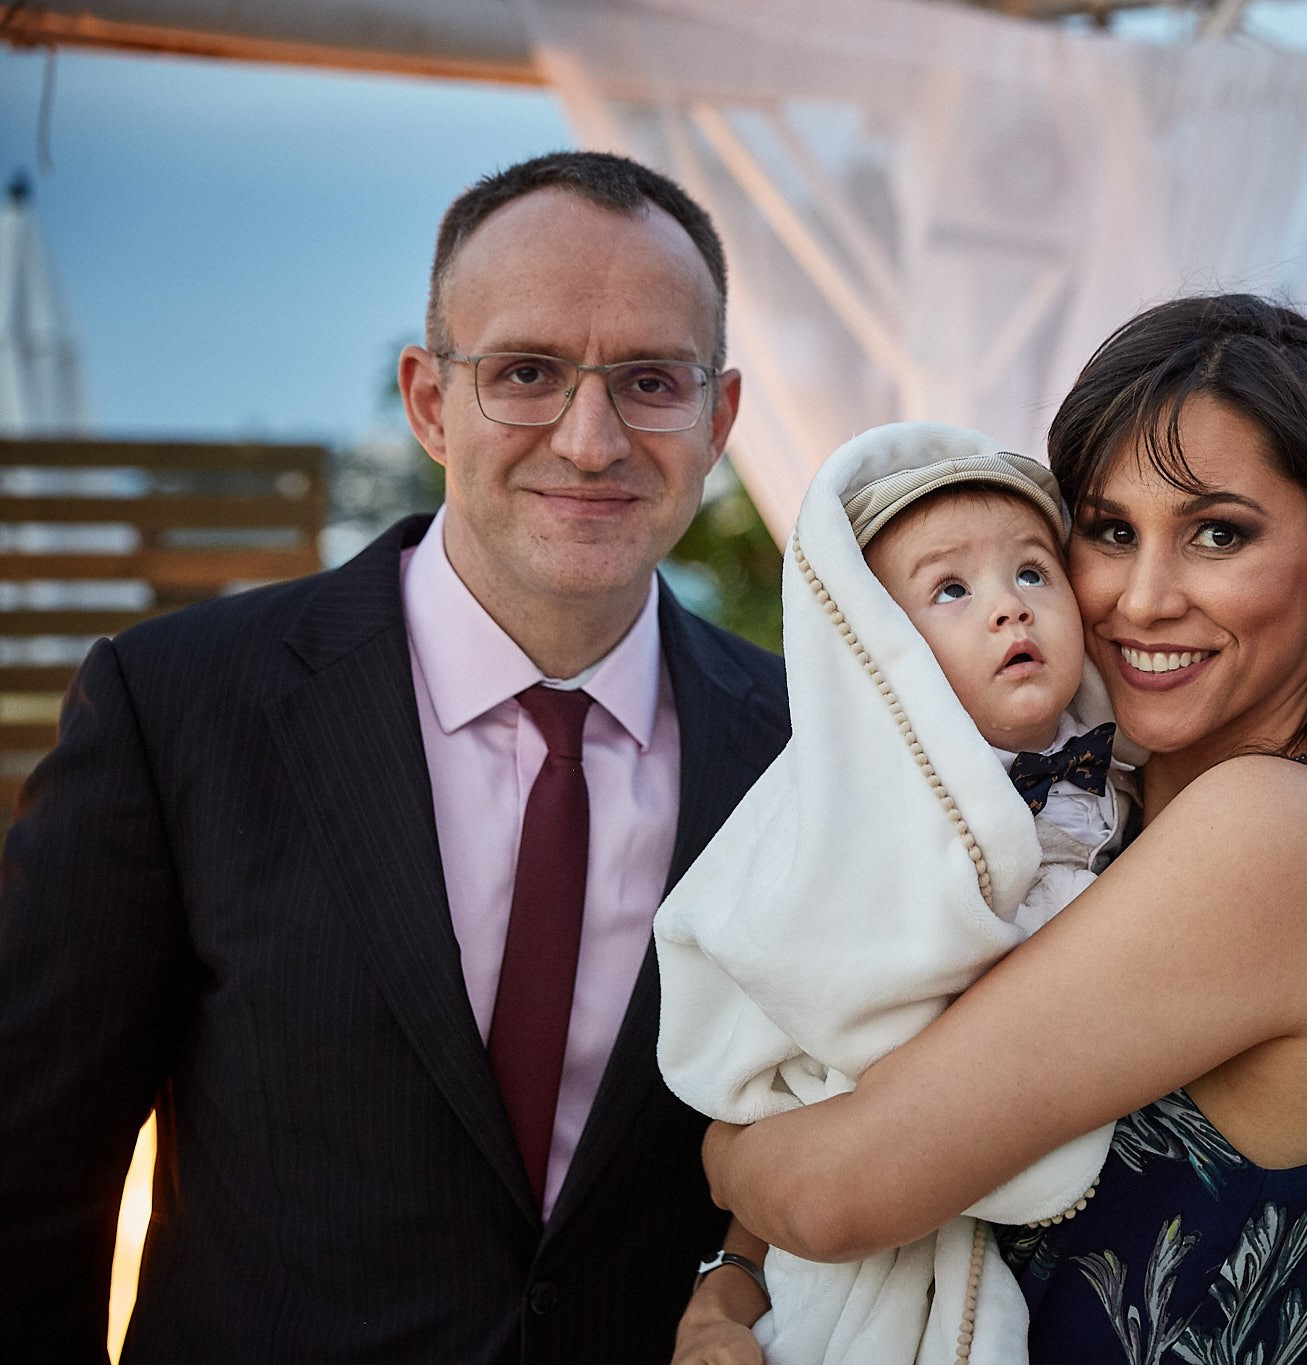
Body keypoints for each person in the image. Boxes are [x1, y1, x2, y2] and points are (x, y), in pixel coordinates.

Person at [0, 151, 788, 1363]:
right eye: (526, 373)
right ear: (429, 402)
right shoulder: (177, 711)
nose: (590, 439)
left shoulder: (798, 753)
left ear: (717, 417)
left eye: (648, 380)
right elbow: (29, 1189)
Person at [691, 294, 1307, 1362]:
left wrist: (721, 1145)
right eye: (1107, 532)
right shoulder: (1097, 805)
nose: (1141, 597)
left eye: (1218, 533)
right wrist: (734, 1281)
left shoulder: (1281, 831)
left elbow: (840, 1192)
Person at [655, 423, 1136, 1364]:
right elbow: (825, 1000)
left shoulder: (1125, 777)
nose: (1010, 609)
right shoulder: (857, 812)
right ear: (881, 649)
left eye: (1033, 572)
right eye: (950, 590)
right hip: (859, 1199)